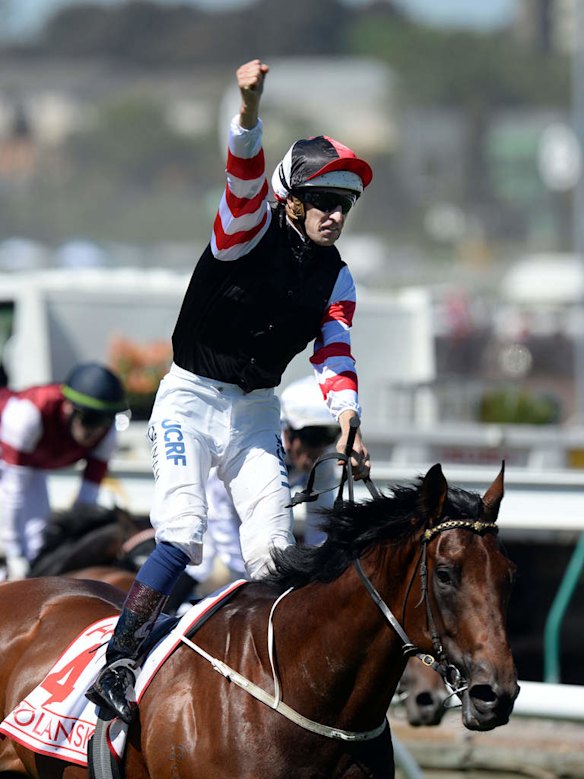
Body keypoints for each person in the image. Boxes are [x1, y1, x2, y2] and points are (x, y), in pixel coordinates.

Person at [86, 57, 372, 723]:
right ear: (292, 201)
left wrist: (350, 412)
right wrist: (249, 109)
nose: (335, 215)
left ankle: (268, 681)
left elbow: (333, 353)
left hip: (255, 414)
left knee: (273, 552)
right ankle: (120, 660)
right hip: (189, 398)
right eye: (325, 201)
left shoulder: (338, 278)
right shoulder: (245, 231)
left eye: (345, 205)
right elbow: (243, 174)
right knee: (183, 532)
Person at [0, 362, 127, 580]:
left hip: (32, 466)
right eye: (90, 419)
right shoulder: (27, 415)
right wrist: (11, 552)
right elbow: (12, 492)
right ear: (69, 407)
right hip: (8, 461)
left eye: (105, 420)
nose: (96, 430)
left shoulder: (108, 434)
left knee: (37, 536)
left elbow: (86, 502)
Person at [281, 375, 339, 546]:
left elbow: (319, 521)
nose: (318, 449)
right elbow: (225, 510)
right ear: (287, 433)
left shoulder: (323, 460)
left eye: (327, 438)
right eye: (312, 437)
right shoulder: (263, 453)